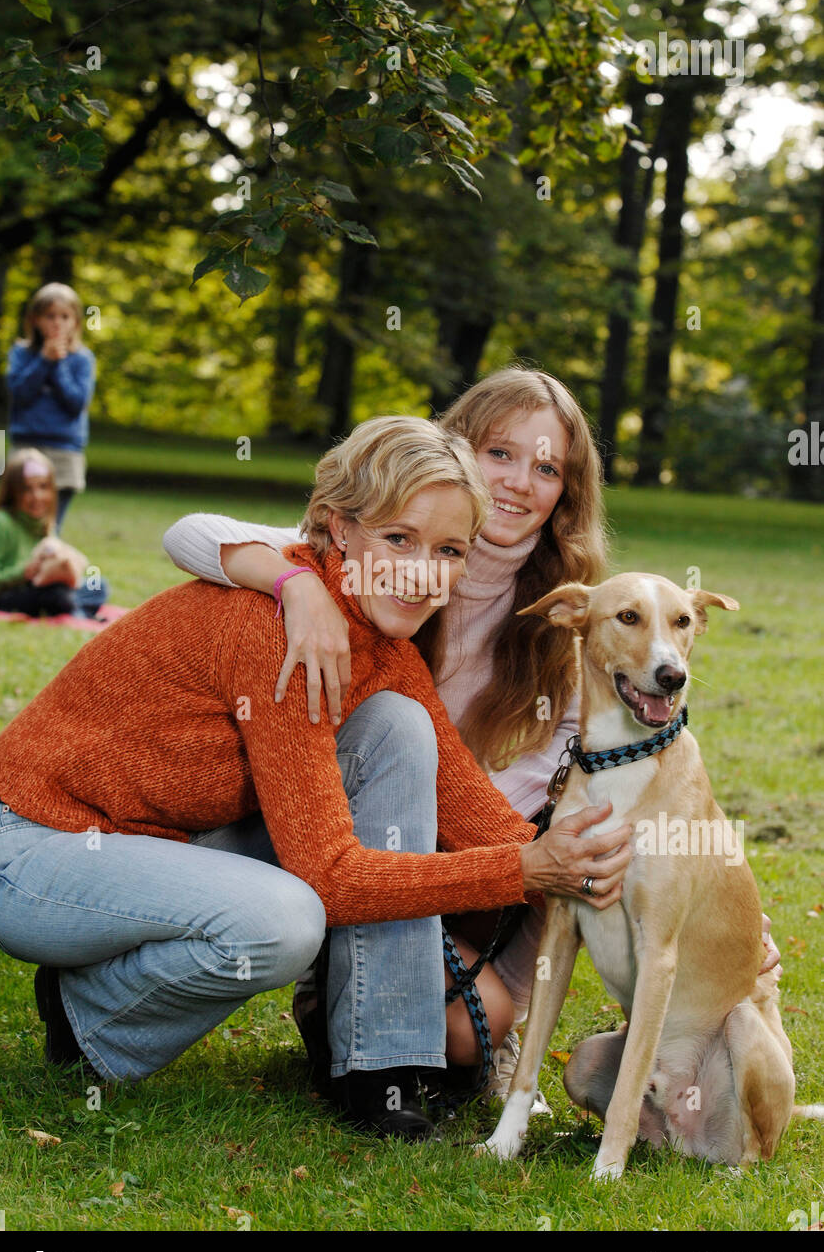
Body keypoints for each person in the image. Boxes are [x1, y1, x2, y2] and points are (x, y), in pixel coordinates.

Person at [0, 416, 632, 1142]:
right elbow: (333, 877)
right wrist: (523, 867)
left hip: (154, 844)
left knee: (399, 728)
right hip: (30, 849)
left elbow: (472, 811)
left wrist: (611, 869)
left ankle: (379, 1065)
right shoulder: (278, 628)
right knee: (285, 920)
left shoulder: (381, 642)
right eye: (399, 540)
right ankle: (90, 1015)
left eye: (448, 551)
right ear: (339, 530)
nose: (421, 572)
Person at [163, 365, 780, 1099]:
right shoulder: (381, 548)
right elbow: (190, 532)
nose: (520, 483)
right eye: (500, 454)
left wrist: (739, 920)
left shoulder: (579, 619)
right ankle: (347, 992)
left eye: (547, 467)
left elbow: (643, 777)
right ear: (456, 454)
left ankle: (486, 1018)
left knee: (479, 1012)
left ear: (567, 491)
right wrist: (297, 589)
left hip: (489, 875)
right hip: (358, 845)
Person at [0, 447, 108, 619]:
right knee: (57, 596)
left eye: (43, 487)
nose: (37, 496)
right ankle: (77, 612)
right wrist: (24, 573)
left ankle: (73, 609)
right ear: (13, 492)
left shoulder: (43, 523)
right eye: (27, 489)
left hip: (41, 589)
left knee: (98, 585)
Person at [7, 282, 96, 530]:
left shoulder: (82, 360)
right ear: (35, 319)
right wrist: (44, 360)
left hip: (64, 451)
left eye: (65, 316)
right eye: (50, 316)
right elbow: (19, 394)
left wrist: (59, 364)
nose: (57, 323)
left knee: (50, 526)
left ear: (76, 322)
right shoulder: (21, 353)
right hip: (26, 447)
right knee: (19, 522)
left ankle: (46, 565)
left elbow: (76, 403)